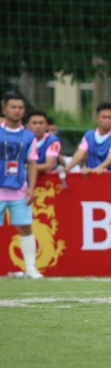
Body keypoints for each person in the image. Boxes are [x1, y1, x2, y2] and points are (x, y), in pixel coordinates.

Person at [1, 93, 42, 278]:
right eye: (13, 107)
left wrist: (31, 188)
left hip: (19, 189)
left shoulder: (29, 136)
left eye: (20, 107)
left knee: (25, 227)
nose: (17, 110)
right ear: (4, 109)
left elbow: (32, 163)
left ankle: (31, 268)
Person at [67, 102, 111, 174]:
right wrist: (66, 169)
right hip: (91, 176)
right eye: (104, 117)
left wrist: (94, 170)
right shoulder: (88, 136)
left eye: (110, 118)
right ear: (97, 118)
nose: (107, 120)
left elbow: (110, 160)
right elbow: (80, 154)